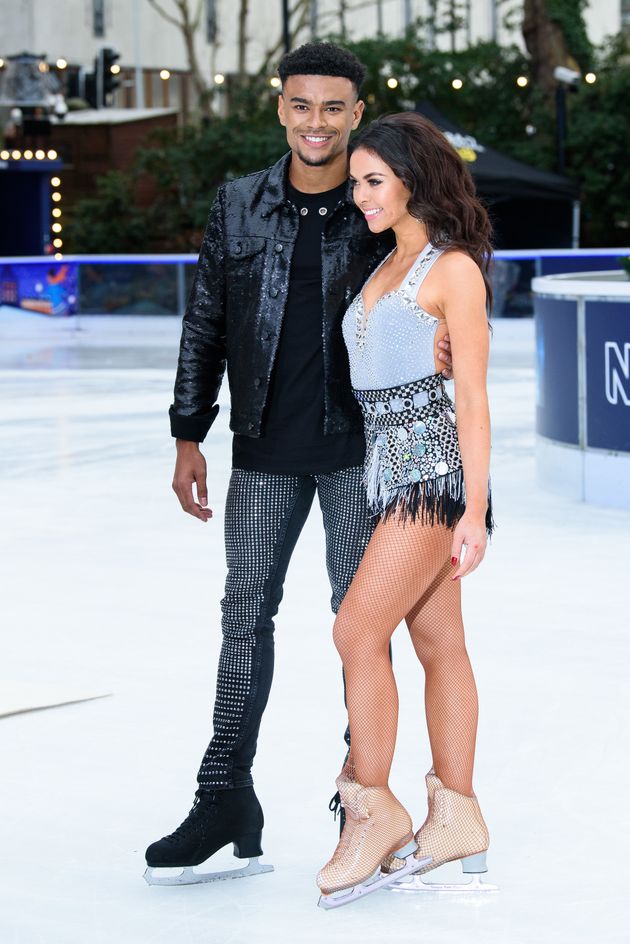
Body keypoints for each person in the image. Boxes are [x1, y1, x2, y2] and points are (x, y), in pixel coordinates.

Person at [144, 44, 453, 886]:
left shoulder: (380, 206)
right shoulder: (238, 204)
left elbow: (446, 270)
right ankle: (223, 797)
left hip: (364, 456)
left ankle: (365, 803)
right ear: (281, 108)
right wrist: (187, 433)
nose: (316, 122)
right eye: (301, 105)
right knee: (243, 616)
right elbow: (204, 324)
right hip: (262, 455)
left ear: (358, 115)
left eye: (333, 108)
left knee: (363, 630)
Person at [316, 112, 495, 909]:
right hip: (383, 471)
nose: (359, 195)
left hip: (430, 474)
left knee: (356, 630)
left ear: (414, 178)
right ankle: (455, 815)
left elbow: (475, 399)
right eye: (356, 182)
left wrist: (475, 510)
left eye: (373, 180)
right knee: (440, 643)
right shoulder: (386, 264)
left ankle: (375, 806)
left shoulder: (451, 270)